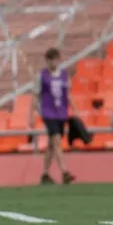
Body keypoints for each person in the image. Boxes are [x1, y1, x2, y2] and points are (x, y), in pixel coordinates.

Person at [31, 48, 76, 185]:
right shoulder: (42, 76)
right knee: (56, 141)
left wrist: (75, 110)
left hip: (61, 113)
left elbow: (67, 95)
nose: (53, 62)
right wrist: (33, 113)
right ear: (47, 61)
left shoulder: (64, 75)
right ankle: (65, 172)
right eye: (50, 60)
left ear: (59, 59)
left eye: (55, 59)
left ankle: (45, 174)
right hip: (48, 113)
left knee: (51, 145)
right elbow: (35, 95)